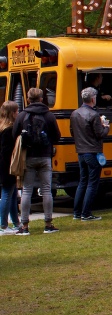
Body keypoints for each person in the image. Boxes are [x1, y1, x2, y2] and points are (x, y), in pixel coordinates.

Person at [13, 88, 62, 235]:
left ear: (28, 99)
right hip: (45, 156)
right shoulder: (48, 115)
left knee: (27, 190)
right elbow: (57, 136)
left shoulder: (22, 115)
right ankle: (48, 224)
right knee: (46, 189)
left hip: (28, 156)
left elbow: (15, 134)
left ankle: (24, 226)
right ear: (41, 99)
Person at [70, 87, 110, 221]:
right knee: (92, 183)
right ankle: (86, 213)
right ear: (93, 99)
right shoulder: (93, 115)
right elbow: (100, 134)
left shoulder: (74, 113)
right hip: (92, 151)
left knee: (82, 182)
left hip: (81, 151)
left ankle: (77, 212)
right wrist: (106, 127)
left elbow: (72, 132)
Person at [0, 101, 21, 234]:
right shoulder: (9, 130)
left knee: (12, 194)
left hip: (2, 165)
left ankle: (16, 223)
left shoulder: (2, 127)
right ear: (12, 113)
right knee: (7, 194)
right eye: (16, 111)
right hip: (7, 165)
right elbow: (8, 151)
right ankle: (3, 225)